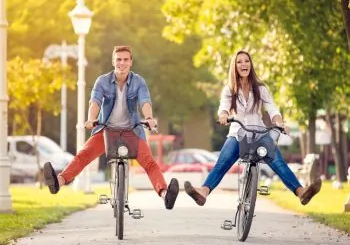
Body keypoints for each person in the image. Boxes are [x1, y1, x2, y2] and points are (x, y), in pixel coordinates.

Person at [43, 45, 179, 210]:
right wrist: (91, 119)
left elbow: (145, 101)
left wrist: (149, 118)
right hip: (106, 130)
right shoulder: (102, 81)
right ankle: (59, 182)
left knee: (149, 163)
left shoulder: (138, 81)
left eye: (125, 60)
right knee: (84, 155)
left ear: (131, 62)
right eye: (118, 60)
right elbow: (95, 101)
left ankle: (165, 195)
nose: (122, 63)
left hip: (132, 131)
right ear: (113, 62)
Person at [184, 50, 322, 206]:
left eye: (246, 61)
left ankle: (301, 192)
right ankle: (203, 192)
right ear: (234, 67)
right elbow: (224, 106)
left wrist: (279, 123)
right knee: (222, 162)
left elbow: (272, 109)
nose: (244, 64)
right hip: (238, 132)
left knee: (277, 161)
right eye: (239, 62)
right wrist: (223, 115)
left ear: (251, 65)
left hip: (260, 133)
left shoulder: (261, 88)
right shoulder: (229, 89)